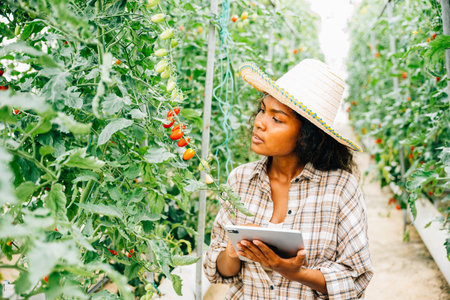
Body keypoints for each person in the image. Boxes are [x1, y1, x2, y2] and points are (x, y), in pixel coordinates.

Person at [203, 59, 373, 299]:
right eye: (262, 109)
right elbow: (220, 272)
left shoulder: (340, 188)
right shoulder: (240, 180)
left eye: (277, 119)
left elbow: (355, 280)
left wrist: (293, 272)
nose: (260, 122)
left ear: (306, 135)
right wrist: (231, 252)